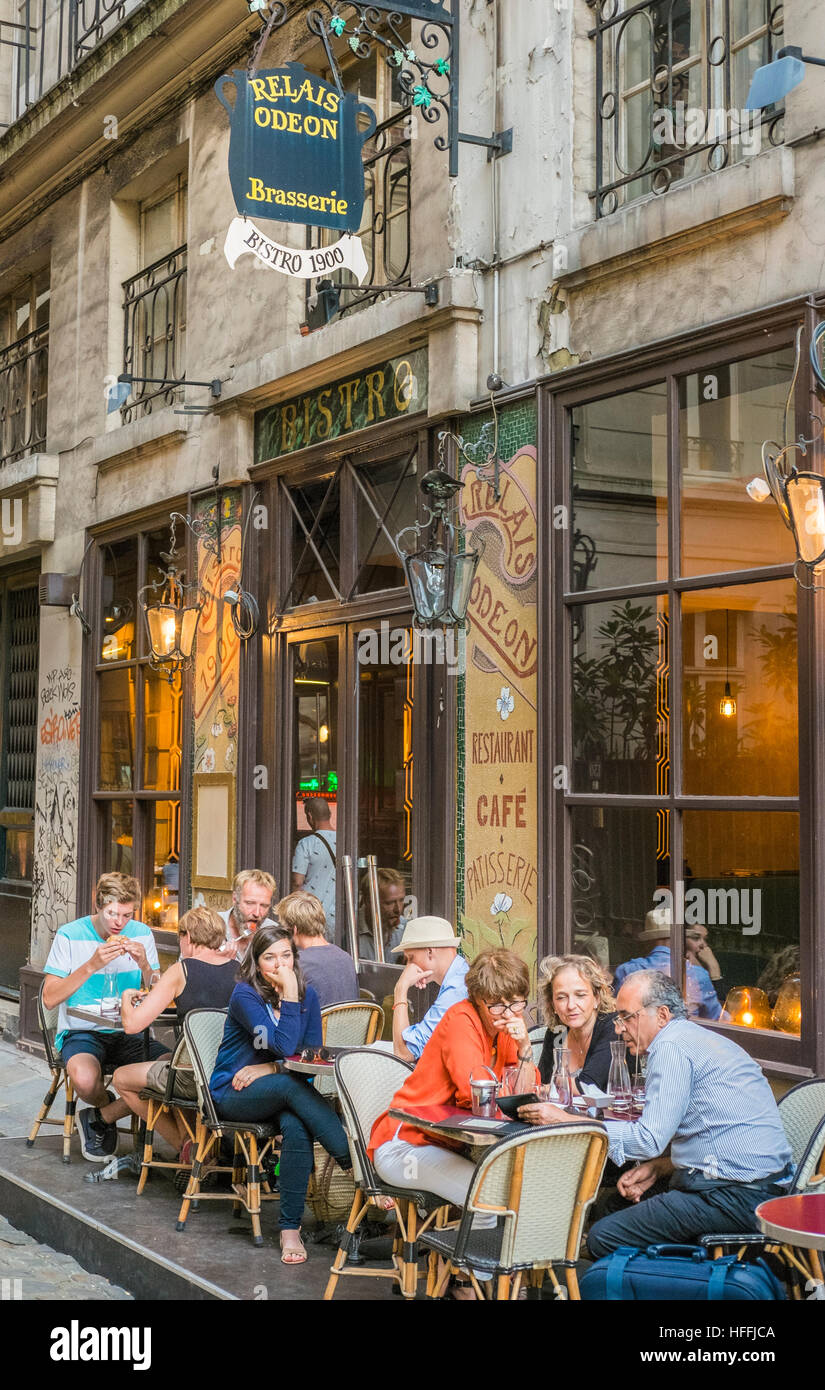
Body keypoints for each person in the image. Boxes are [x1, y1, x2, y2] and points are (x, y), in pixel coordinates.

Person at [520, 971, 793, 1256]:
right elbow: (716, 1136)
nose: (618, 1027)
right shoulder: (694, 1038)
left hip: (735, 1197)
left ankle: (691, 1278)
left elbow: (647, 1140)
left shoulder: (670, 1047)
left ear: (662, 1015)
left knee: (602, 1237)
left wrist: (564, 1120)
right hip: (761, 1186)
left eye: (627, 1017)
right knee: (611, 1206)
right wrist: (660, 1167)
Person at [369, 948, 539, 1297]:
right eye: (496, 1005)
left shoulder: (504, 1024)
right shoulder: (460, 1020)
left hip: (446, 1146)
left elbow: (524, 1093)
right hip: (406, 1146)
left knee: (516, 1189)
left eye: (516, 1004)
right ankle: (471, 1285)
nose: (506, 1014)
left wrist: (524, 1049)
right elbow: (477, 1096)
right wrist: (507, 1087)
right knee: (489, 1194)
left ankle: (481, 1278)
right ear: (477, 999)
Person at [209, 924, 351, 1265]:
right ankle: (355, 1164)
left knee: (297, 1125)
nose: (279, 964)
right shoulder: (245, 995)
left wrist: (271, 1068)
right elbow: (284, 1045)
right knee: (291, 1088)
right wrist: (289, 994)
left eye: (286, 955)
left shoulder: (309, 996)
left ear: (295, 957)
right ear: (257, 964)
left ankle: (289, 1230)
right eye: (270, 958)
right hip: (234, 1092)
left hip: (283, 1091)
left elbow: (308, 1055)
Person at [42, 873, 166, 1162]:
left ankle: (102, 1117)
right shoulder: (70, 934)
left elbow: (157, 989)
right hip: (82, 1030)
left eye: (126, 914)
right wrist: (91, 965)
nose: (119, 922)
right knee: (85, 1081)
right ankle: (103, 1101)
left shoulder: (142, 933)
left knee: (171, 1074)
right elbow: (49, 998)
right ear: (98, 905)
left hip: (130, 1030)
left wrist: (145, 964)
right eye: (112, 913)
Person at [111, 906, 237, 1157]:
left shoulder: (182, 969)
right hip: (229, 1071)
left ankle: (186, 1147)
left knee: (121, 1078)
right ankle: (197, 1143)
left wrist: (126, 999)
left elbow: (133, 1025)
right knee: (165, 1059)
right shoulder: (239, 968)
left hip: (193, 1076)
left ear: (188, 938)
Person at [612, 907, 724, 1020]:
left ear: (647, 942)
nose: (702, 945)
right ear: (681, 939)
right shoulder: (698, 974)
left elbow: (616, 1013)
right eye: (694, 938)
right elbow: (717, 1018)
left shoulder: (626, 970)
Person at [390, 916, 469, 1063]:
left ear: (430, 952)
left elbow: (403, 1054)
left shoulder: (455, 990)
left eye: (411, 958)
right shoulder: (461, 975)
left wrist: (400, 989)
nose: (408, 967)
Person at [536, 954, 616, 1093]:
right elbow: (541, 1083)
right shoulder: (557, 1032)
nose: (571, 1005)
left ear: (597, 998)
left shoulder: (612, 1026)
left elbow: (589, 1086)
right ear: (552, 1004)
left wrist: (549, 1089)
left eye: (580, 995)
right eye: (561, 997)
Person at [276, 890, 358, 1008]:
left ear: (294, 930)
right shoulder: (346, 957)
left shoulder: (297, 963)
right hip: (349, 1026)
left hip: (315, 1025)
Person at [291, 798, 336, 939]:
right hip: (337, 914)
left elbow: (298, 882)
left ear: (309, 816)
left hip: (311, 913)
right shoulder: (345, 841)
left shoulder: (306, 844)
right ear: (330, 814)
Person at [217, 869, 278, 956]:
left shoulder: (273, 932)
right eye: (250, 903)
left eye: (264, 906)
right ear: (235, 899)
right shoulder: (210, 926)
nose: (257, 913)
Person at [357, 867, 406, 960]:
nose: (398, 909)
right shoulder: (348, 932)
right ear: (368, 901)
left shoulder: (406, 930)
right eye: (389, 903)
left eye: (401, 900)